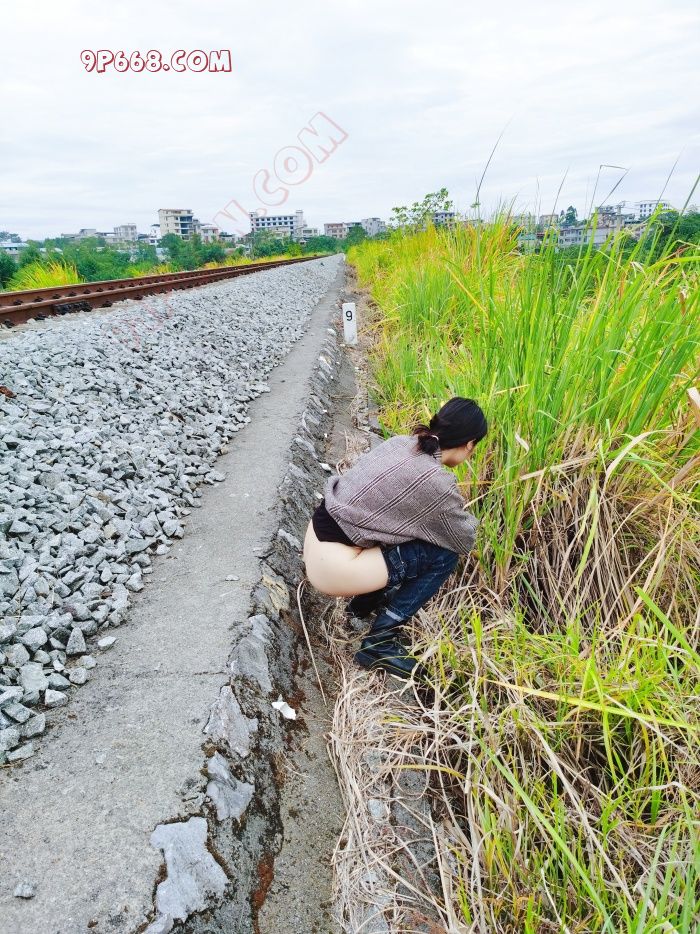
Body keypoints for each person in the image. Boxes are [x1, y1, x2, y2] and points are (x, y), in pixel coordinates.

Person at [303, 397, 487, 678]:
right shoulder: (437, 482)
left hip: (316, 544)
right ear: (470, 444)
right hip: (332, 570)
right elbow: (464, 539)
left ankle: (362, 606)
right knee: (443, 554)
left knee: (405, 528)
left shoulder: (401, 443)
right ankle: (380, 642)